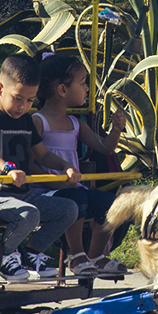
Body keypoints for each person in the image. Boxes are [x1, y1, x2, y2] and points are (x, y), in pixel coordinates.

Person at [0, 55, 80, 281]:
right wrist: (7, 168)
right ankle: (4, 257)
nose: (23, 106)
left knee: (69, 209)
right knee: (29, 214)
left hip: (23, 195)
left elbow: (43, 154)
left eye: (30, 101)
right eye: (18, 98)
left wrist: (65, 166)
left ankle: (31, 253)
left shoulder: (27, 120)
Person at [32, 53, 127, 278]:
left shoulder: (75, 123)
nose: (87, 89)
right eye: (83, 83)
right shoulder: (38, 121)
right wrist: (56, 180)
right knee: (77, 198)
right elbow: (32, 162)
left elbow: (104, 147)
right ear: (63, 90)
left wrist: (115, 130)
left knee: (109, 203)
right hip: (47, 191)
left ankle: (96, 255)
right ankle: (76, 255)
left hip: (74, 189)